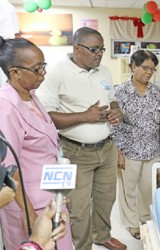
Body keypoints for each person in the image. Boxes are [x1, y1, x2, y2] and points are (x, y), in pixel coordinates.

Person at [36, 27, 126, 250]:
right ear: (77, 48)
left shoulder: (104, 71)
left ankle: (102, 236)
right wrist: (85, 116)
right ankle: (82, 246)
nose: (99, 54)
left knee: (106, 200)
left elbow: (112, 97)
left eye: (102, 49)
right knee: (79, 207)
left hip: (107, 148)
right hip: (75, 152)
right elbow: (47, 117)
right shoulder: (57, 73)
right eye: (94, 49)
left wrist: (116, 110)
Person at [0, 36, 73, 250]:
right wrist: (29, 214)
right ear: (15, 72)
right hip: (27, 203)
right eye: (37, 68)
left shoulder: (30, 95)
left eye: (44, 66)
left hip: (48, 194)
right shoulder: (6, 108)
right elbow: (9, 170)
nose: (44, 73)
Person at [112, 50, 160, 240]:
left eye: (152, 69)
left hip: (152, 148)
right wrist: (118, 150)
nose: (149, 72)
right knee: (129, 189)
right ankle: (132, 224)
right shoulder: (120, 92)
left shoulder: (158, 92)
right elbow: (113, 124)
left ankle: (145, 218)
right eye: (145, 68)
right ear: (133, 66)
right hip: (129, 149)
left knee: (148, 187)